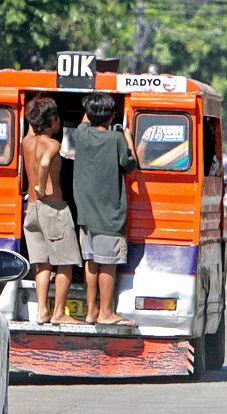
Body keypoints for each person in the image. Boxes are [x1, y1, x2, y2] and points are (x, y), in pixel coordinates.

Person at [73, 92, 138, 326]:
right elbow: (130, 165)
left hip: (86, 216)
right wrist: (128, 137)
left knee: (91, 262)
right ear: (112, 116)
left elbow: (84, 120)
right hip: (109, 215)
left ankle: (91, 311)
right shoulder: (116, 139)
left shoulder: (81, 134)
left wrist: (94, 97)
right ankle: (106, 312)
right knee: (107, 264)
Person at [22, 97, 83, 325]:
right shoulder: (53, 144)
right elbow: (46, 162)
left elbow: (32, 127)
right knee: (65, 261)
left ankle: (41, 311)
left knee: (41, 262)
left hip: (33, 210)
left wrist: (33, 105)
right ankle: (58, 312)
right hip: (53, 207)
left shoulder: (26, 143)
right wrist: (41, 183)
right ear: (53, 121)